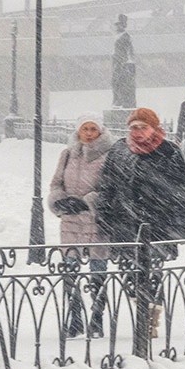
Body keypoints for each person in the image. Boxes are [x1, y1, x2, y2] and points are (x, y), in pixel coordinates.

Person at [97, 107, 185, 340]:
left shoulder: (169, 152)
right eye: (134, 128)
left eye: (143, 127)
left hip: (158, 223)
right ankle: (141, 310)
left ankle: (150, 321)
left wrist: (178, 225)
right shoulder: (120, 150)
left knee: (154, 273)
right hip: (125, 223)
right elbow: (107, 184)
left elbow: (181, 191)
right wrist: (104, 215)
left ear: (155, 128)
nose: (138, 132)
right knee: (130, 274)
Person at [47, 114, 116, 338]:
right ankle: (74, 319)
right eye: (84, 128)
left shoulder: (109, 156)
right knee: (70, 272)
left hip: (95, 221)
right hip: (70, 221)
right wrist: (60, 200)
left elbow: (111, 189)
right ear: (78, 131)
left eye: (92, 129)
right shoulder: (68, 155)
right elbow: (56, 183)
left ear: (100, 131)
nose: (88, 133)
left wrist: (88, 201)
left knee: (98, 272)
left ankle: (96, 319)